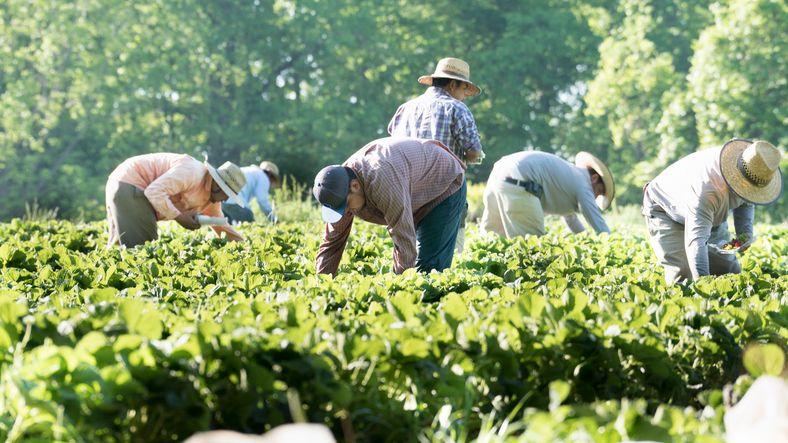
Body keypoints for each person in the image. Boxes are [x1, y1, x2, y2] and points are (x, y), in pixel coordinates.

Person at [313, 137, 466, 275]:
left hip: (444, 181)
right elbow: (332, 243)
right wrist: (321, 286)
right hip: (413, 188)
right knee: (418, 271)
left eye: (345, 206)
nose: (346, 212)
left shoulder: (382, 180)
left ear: (354, 186)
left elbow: (403, 236)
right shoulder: (339, 187)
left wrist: (399, 289)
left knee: (428, 269)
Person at [643, 139, 782, 284]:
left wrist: (744, 235)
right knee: (683, 274)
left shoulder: (752, 170)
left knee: (729, 270)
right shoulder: (707, 191)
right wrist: (706, 289)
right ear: (735, 179)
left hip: (708, 215)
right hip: (666, 210)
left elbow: (746, 202)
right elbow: (696, 242)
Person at [387, 57, 483, 252]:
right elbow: (473, 152)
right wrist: (476, 157)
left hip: (407, 187)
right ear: (452, 83)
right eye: (464, 89)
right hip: (445, 187)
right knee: (440, 253)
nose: (464, 95)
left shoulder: (406, 108)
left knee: (408, 249)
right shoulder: (456, 108)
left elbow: (392, 142)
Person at [105, 153, 246, 247]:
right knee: (144, 251)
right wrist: (180, 217)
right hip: (131, 184)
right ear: (218, 186)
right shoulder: (192, 172)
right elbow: (154, 192)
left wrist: (243, 246)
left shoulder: (211, 199)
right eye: (227, 193)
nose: (227, 198)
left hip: (122, 184)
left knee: (118, 246)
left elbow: (220, 224)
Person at [481, 151, 614, 237]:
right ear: (595, 178)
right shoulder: (584, 184)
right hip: (520, 182)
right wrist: (608, 241)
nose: (595, 197)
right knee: (532, 248)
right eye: (599, 192)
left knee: (493, 238)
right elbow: (595, 219)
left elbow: (570, 218)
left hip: (499, 174)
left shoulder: (571, 176)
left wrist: (585, 239)